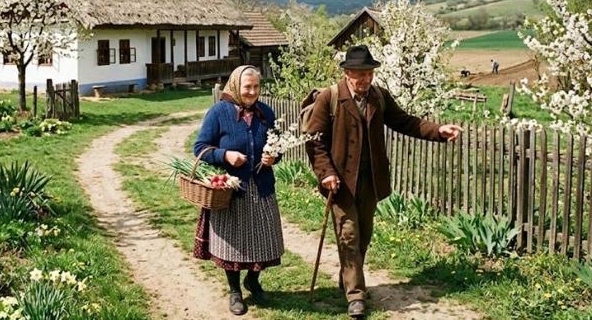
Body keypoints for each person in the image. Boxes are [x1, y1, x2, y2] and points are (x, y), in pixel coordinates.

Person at [305, 45, 462, 319]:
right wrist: (326, 172)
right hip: (340, 182)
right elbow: (315, 141)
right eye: (361, 74)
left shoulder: (379, 97)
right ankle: (356, 295)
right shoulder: (330, 98)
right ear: (347, 72)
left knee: (364, 234)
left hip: (370, 180)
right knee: (349, 235)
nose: (366, 79)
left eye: (370, 74)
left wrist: (438, 130)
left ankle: (348, 277)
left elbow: (405, 122)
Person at [192, 65, 284, 316]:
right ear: (235, 86)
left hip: (261, 188)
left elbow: (278, 147)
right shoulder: (218, 113)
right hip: (231, 190)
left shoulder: (266, 113)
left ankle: (252, 280)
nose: (252, 92)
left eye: (256, 87)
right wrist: (225, 155)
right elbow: (200, 147)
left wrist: (273, 158)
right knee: (232, 243)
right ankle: (234, 291)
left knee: (264, 239)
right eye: (247, 87)